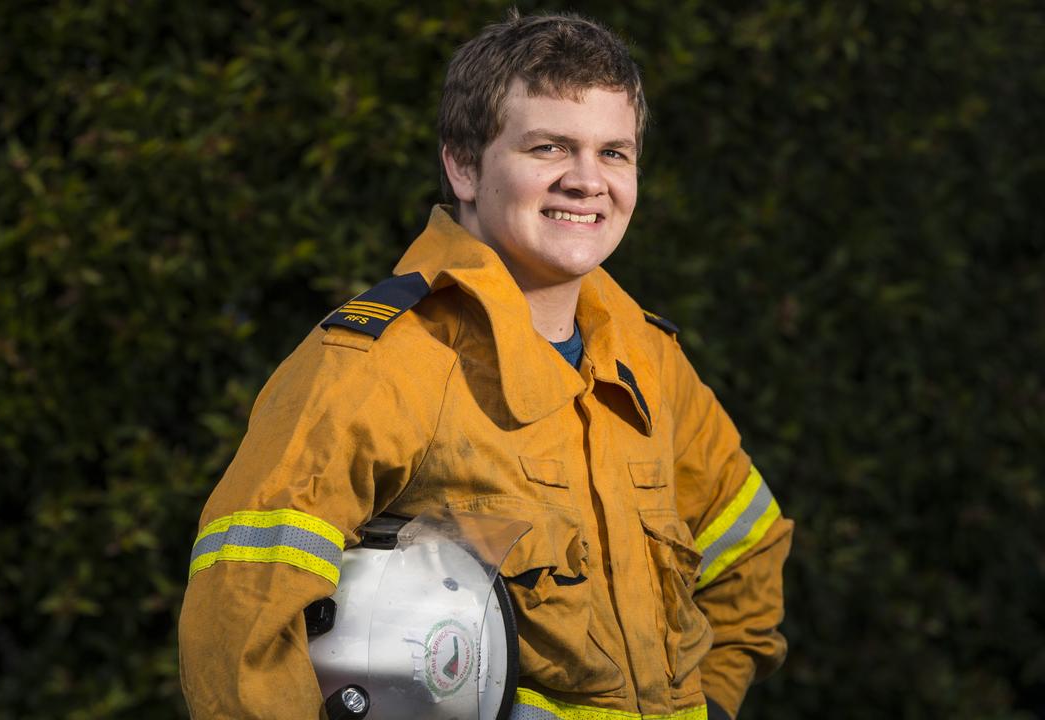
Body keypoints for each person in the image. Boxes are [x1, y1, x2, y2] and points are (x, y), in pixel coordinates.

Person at [179, 11, 792, 720]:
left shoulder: (648, 361)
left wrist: (711, 705)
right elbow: (241, 621)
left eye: (615, 153)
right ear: (463, 165)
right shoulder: (378, 365)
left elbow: (751, 553)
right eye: (549, 148)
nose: (587, 181)